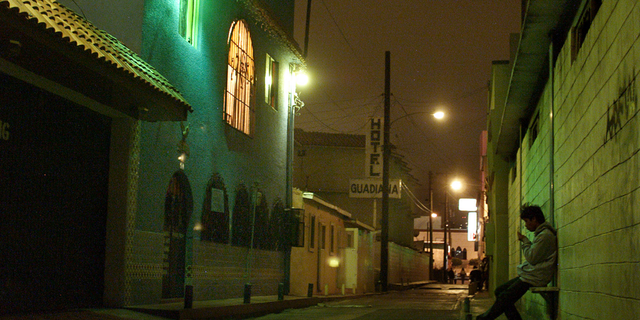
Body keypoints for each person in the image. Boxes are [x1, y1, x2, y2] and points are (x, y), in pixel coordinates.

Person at [476, 204, 557, 320]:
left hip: (535, 277)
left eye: (526, 221)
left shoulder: (545, 236)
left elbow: (532, 258)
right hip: (531, 275)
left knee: (505, 297)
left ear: (534, 219)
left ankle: (484, 318)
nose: (525, 225)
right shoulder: (542, 234)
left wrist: (525, 241)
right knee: (500, 291)